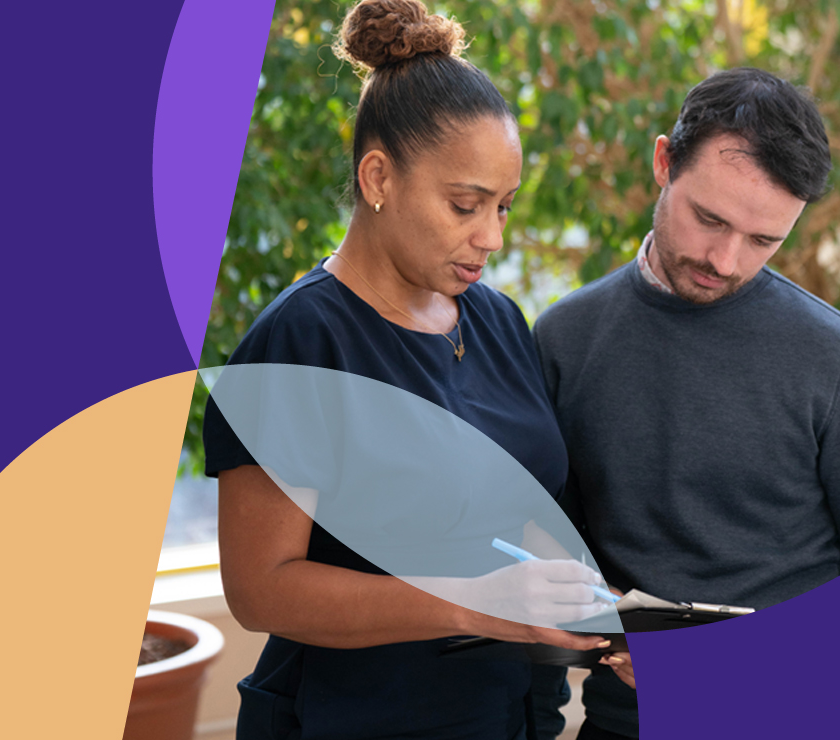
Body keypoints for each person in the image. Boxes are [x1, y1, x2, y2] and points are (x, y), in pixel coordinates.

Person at [202, 1, 609, 737]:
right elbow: (260, 591)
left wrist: (601, 615)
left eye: (505, 208)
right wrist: (473, 603)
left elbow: (526, 512)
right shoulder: (299, 343)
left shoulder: (497, 320)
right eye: (465, 206)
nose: (491, 238)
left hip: (509, 716)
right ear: (378, 176)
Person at [533, 67, 840, 739]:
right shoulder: (564, 338)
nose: (726, 259)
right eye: (709, 218)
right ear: (663, 163)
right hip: (626, 724)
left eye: (765, 240)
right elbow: (551, 558)